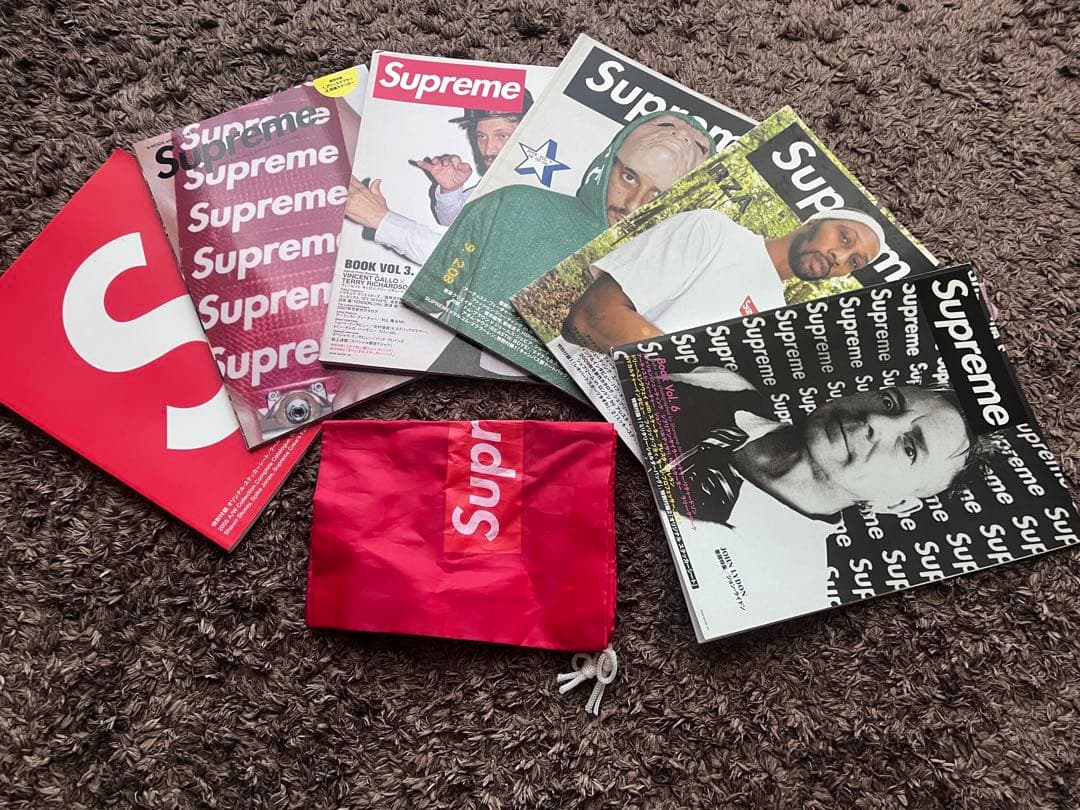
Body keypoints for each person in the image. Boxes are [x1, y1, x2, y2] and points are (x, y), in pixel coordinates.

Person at [408, 111, 716, 320]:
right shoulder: (517, 204)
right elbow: (427, 294)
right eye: (629, 177)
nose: (634, 205)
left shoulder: (668, 279)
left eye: (658, 196)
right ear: (608, 163)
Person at [664, 367, 989, 528]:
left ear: (896, 504)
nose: (876, 420)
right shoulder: (727, 387)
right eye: (889, 403)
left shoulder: (778, 582)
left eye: (909, 449)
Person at [561, 208, 888, 351]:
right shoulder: (714, 231)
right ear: (813, 222)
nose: (840, 258)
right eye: (844, 238)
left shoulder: (774, 324)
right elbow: (589, 319)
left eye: (854, 262)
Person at [343, 93, 535, 266]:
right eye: (482, 137)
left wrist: (381, 220)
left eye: (502, 136)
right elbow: (454, 220)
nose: (488, 149)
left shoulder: (533, 192)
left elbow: (467, 264)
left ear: (529, 133)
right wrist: (451, 191)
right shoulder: (504, 180)